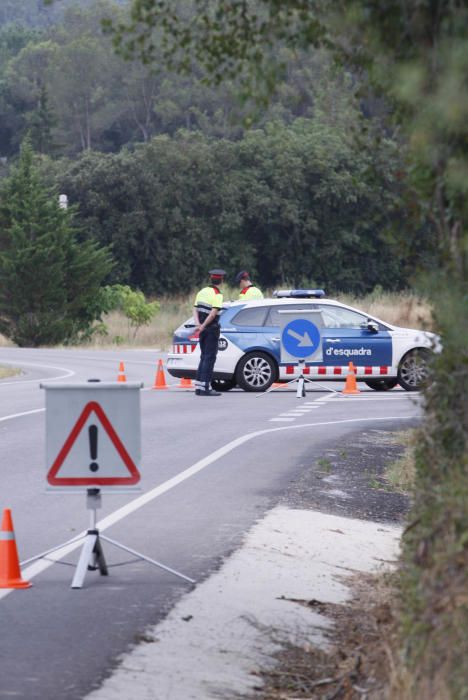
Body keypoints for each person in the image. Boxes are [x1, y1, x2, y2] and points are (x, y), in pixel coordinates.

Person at [193, 268, 226, 396]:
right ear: (221, 280)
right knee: (209, 357)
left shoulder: (201, 292)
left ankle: (199, 387)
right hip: (211, 329)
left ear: (210, 279)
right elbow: (213, 314)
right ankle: (206, 387)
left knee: (203, 357)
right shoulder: (217, 294)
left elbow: (195, 309)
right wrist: (204, 325)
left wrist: (198, 325)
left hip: (202, 329)